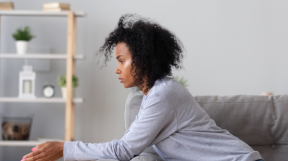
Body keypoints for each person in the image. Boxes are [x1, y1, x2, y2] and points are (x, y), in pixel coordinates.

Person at [22, 14, 263, 161]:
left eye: (121, 61)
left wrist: (65, 148)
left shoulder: (164, 95)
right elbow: (127, 145)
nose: (117, 69)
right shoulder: (153, 95)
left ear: (143, 60)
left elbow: (124, 149)